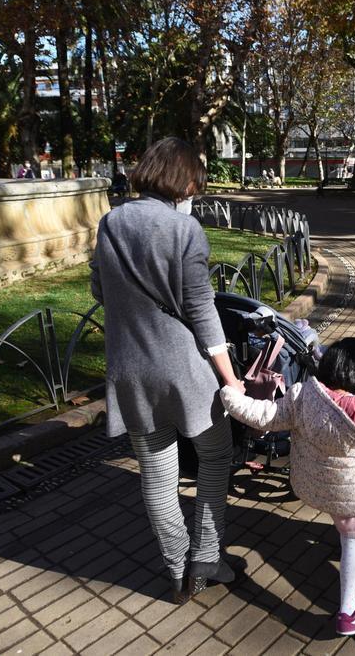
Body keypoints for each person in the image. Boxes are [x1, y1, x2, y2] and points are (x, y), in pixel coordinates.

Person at [89, 137, 244, 604]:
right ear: (183, 179)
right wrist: (231, 378)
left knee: (157, 474)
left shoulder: (111, 222)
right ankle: (207, 560)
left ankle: (177, 574)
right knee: (216, 457)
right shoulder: (185, 228)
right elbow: (202, 309)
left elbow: (99, 290)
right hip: (185, 369)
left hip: (130, 369)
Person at [220, 337, 355, 636]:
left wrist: (229, 392)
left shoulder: (302, 396)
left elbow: (264, 415)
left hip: (314, 484)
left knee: (342, 521)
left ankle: (344, 556)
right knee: (353, 540)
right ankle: (349, 613)